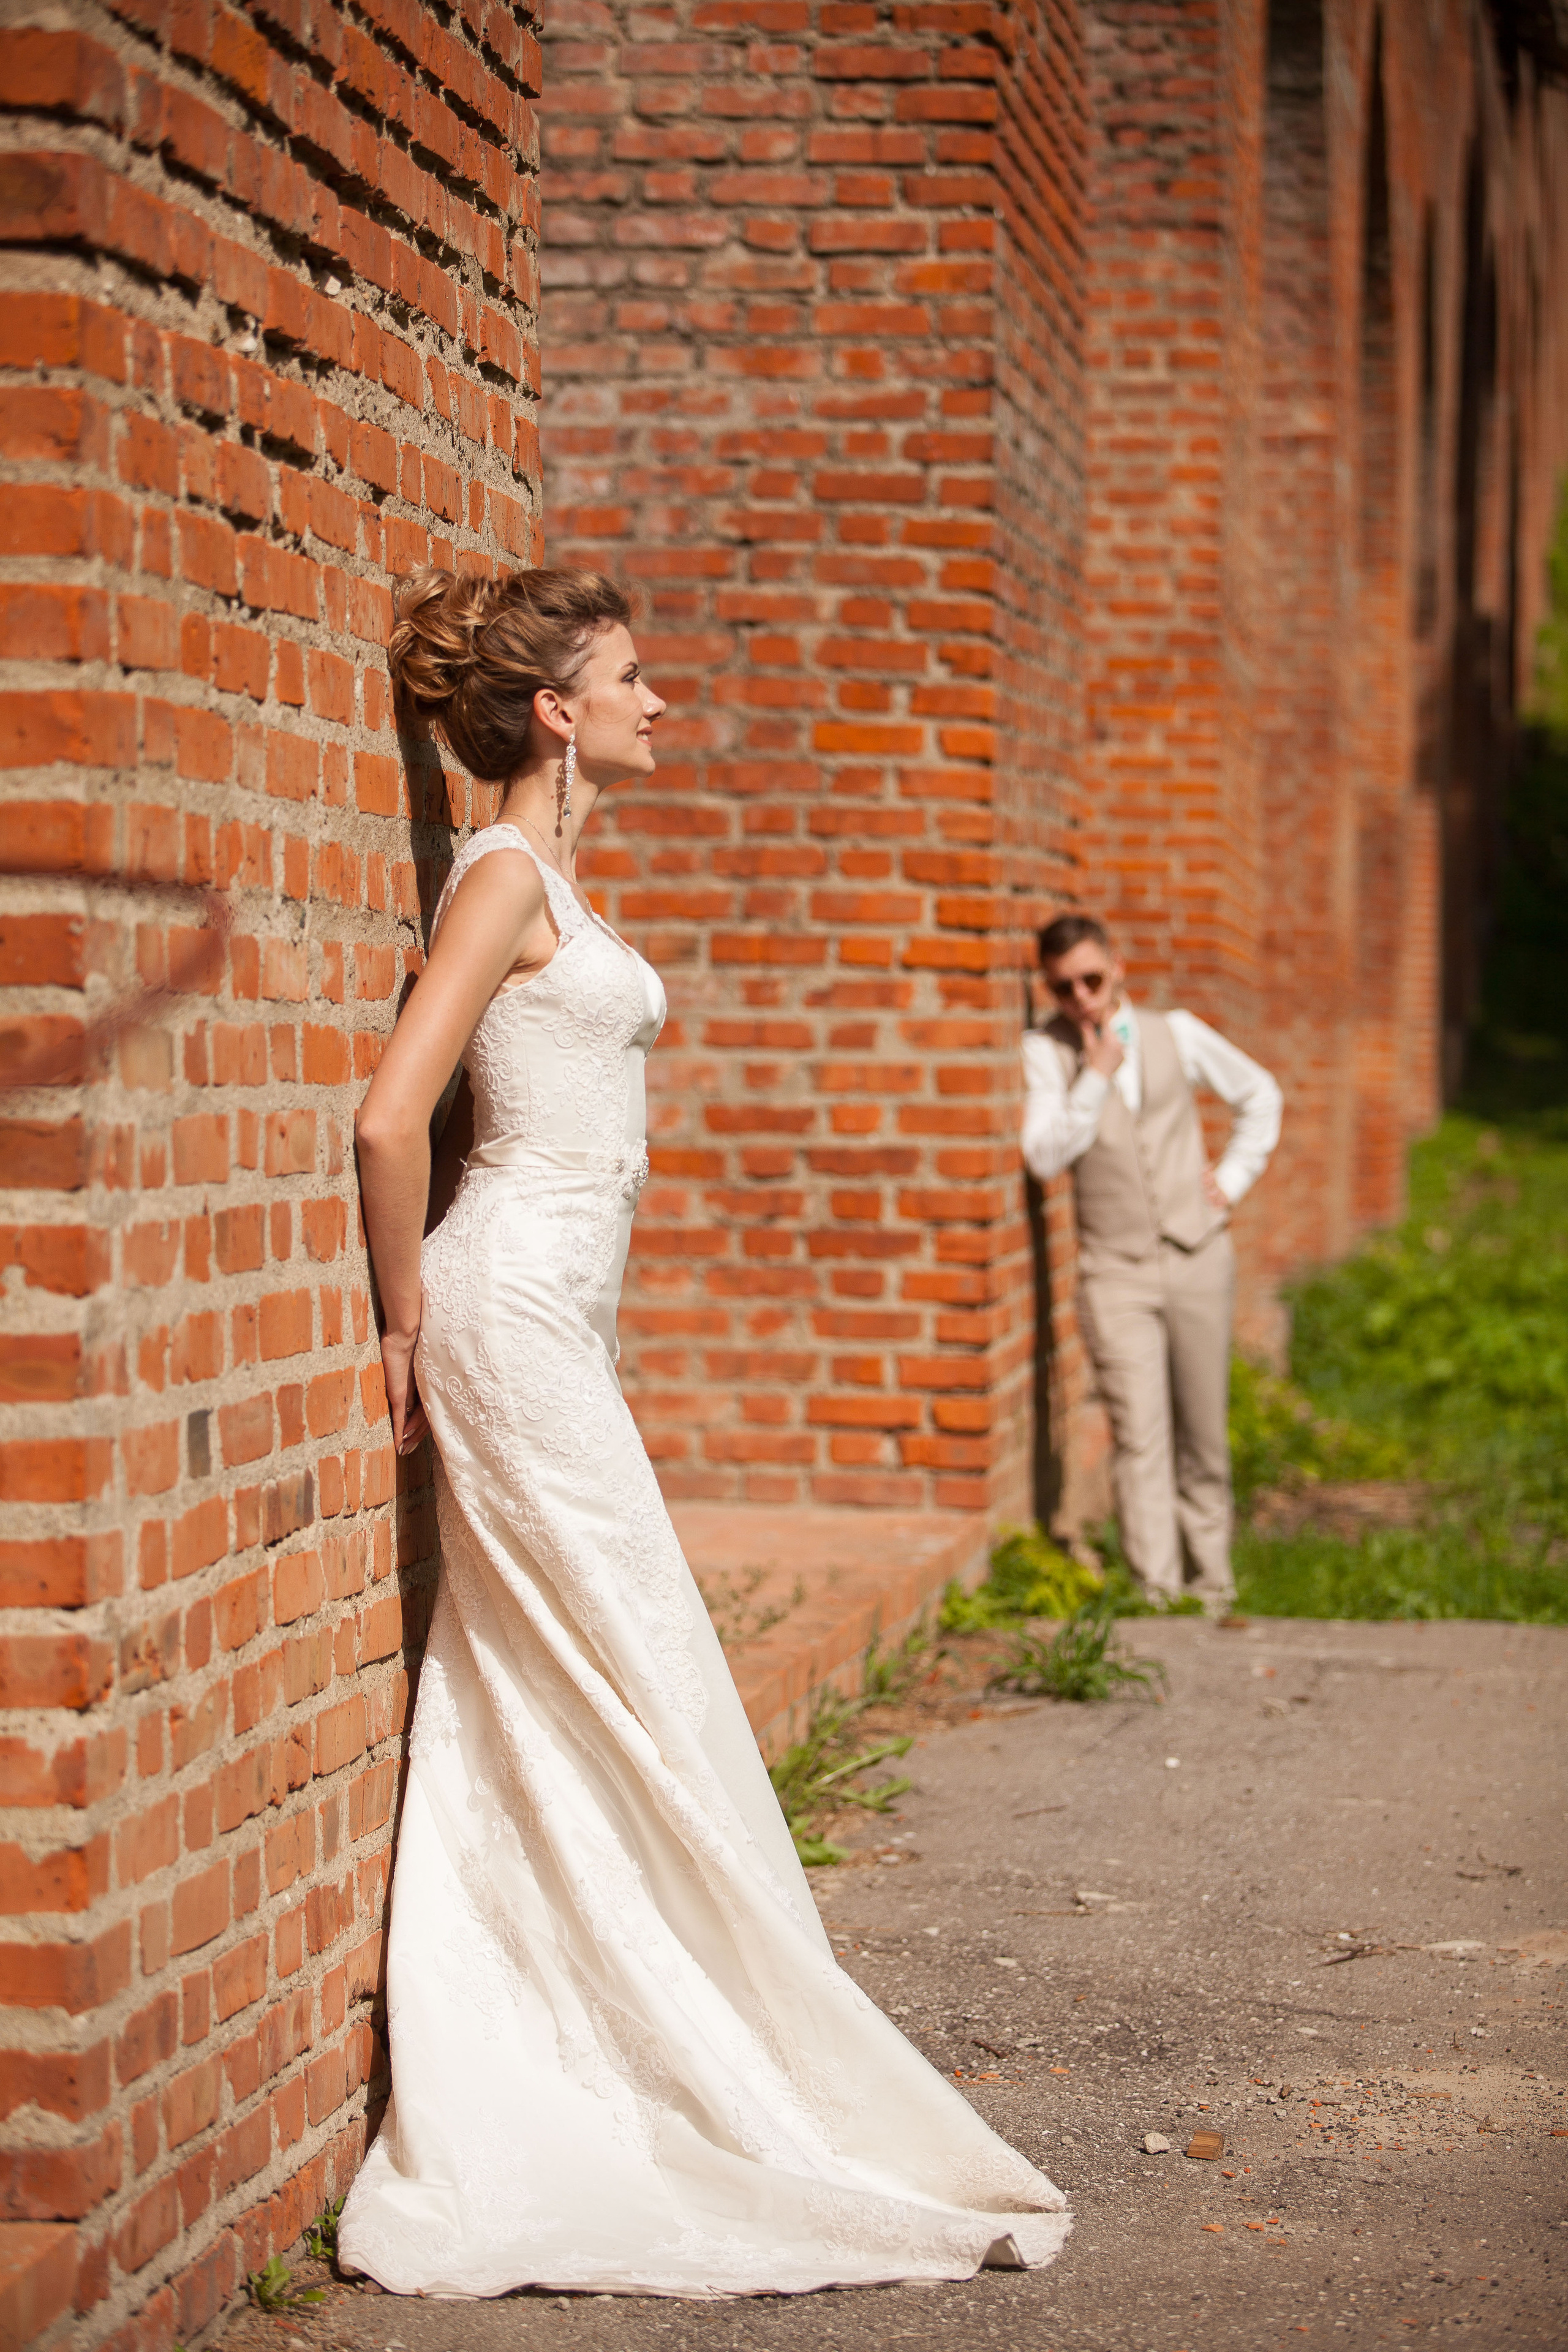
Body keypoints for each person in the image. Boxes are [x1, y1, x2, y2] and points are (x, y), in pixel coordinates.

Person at [337, 567, 1069, 2298]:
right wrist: (399, 1324)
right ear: (557, 717)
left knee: (556, 1679)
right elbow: (388, 1119)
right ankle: (719, 2067)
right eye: (633, 678)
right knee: (646, 1669)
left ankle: (595, 2020)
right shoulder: (508, 873)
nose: (664, 701)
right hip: (507, 1310)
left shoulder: (546, 877)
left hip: (557, 1321)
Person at [1021, 914, 1281, 1611]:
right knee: (1138, 1435)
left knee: (1202, 1428)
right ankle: (1157, 1599)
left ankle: (1214, 1586)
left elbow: (1261, 1095)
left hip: (1198, 1256)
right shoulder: (1045, 1054)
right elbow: (1044, 1155)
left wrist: (1228, 1182)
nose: (1080, 998)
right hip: (1114, 1272)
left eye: (1091, 980)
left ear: (1118, 967)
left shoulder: (1178, 1032)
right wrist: (1094, 1079)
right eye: (1063, 987)